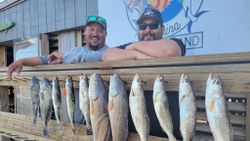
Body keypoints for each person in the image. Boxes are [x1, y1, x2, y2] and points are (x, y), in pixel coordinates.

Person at [7, 15, 108, 79]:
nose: (95, 34)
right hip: (76, 110)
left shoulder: (111, 53)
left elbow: (101, 57)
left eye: (100, 31)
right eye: (91, 29)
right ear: (84, 32)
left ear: (106, 34)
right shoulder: (74, 51)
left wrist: (66, 57)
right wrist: (22, 61)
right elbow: (46, 59)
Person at [102, 9, 185, 61]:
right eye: (143, 26)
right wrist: (136, 55)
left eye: (153, 25)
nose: (147, 30)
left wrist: (132, 49)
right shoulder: (133, 46)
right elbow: (107, 56)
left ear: (162, 28)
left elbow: (171, 51)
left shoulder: (175, 42)